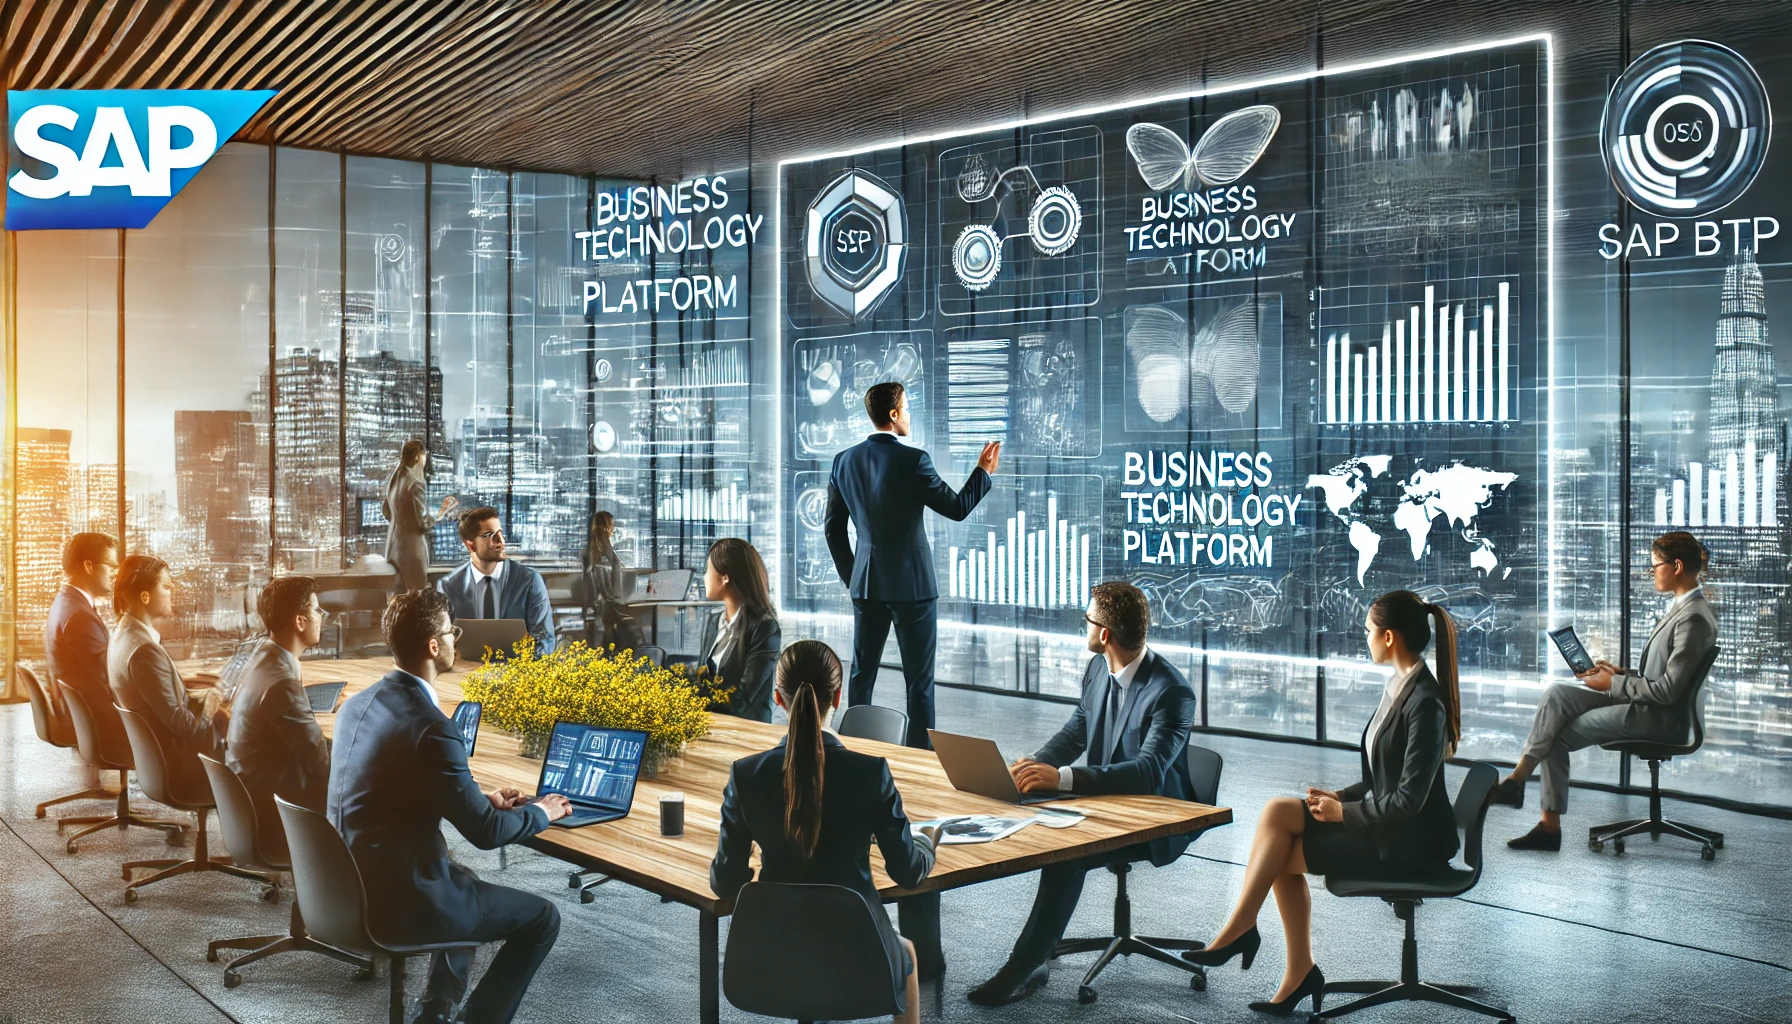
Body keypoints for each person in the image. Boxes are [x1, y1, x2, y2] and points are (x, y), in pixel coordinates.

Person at [1179, 590, 1462, 1016]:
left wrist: (1343, 814)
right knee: (1278, 811)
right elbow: (1381, 777)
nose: (1363, 639)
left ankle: (1276, 955)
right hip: (1388, 825)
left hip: (1408, 844)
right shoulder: (1400, 687)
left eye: (1367, 632)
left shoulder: (1425, 702)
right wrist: (1340, 796)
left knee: (1281, 855)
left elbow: (1408, 800)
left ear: (1389, 637)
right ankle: (1257, 938)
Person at [328, 589, 572, 1024]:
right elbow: (486, 834)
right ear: (434, 646)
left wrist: (481, 798)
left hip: (344, 886)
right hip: (400, 901)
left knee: (465, 880)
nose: (457, 638)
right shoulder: (433, 727)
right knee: (542, 917)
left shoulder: (356, 705)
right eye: (451, 631)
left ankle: (435, 1014)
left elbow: (401, 786)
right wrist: (543, 812)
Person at [967, 580, 1199, 1007]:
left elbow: (1147, 774)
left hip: (1155, 816)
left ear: (1105, 634)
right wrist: (1034, 767)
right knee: (1026, 815)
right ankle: (1038, 953)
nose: (1084, 628)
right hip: (1102, 800)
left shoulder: (1171, 691)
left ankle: (1022, 968)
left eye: (1087, 621)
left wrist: (1063, 779)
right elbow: (1078, 727)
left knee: (1065, 854)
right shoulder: (1098, 668)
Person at [711, 640, 941, 1024]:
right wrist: (925, 844)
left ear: (778, 700)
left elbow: (724, 882)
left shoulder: (746, 775)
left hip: (771, 954)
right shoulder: (870, 774)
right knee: (908, 953)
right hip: (856, 949)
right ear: (838, 696)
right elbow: (907, 871)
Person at [1497, 531, 1719, 850]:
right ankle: (1518, 779)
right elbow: (1664, 676)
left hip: (1658, 718)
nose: (1651, 572)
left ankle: (1548, 825)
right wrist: (1619, 673)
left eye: (1655, 566)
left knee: (1555, 734)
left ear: (1677, 566)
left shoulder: (1694, 618)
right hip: (1645, 704)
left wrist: (1612, 684)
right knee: (1558, 694)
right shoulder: (1683, 608)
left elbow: (1669, 692)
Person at [825, 380, 999, 747]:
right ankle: (921, 759)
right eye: (906, 407)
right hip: (913, 587)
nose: (909, 414)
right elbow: (956, 508)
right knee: (919, 682)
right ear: (893, 414)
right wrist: (982, 471)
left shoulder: (844, 461)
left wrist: (853, 576)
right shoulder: (914, 459)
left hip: (866, 584)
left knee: (862, 676)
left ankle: (856, 749)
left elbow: (833, 530)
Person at [227, 576, 332, 857]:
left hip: (251, 793)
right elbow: (319, 762)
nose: (321, 617)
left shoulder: (263, 656)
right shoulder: (281, 682)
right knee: (370, 785)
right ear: (300, 621)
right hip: (272, 811)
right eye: (317, 611)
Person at [109, 554, 227, 795]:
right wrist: (209, 705)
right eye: (166, 586)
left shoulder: (123, 633)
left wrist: (195, 695)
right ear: (145, 596)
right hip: (178, 765)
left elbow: (159, 703)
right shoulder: (145, 651)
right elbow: (182, 726)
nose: (172, 589)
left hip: (155, 757)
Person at [438, 507, 556, 654]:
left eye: (500, 533)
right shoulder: (448, 587)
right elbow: (441, 643)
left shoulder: (530, 582)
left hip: (516, 672)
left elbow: (545, 642)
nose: (501, 541)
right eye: (489, 535)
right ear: (471, 545)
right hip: (465, 672)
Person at [45, 532, 121, 754]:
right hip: (95, 724)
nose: (115, 574)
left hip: (76, 714)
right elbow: (107, 678)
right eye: (111, 566)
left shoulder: (64, 602)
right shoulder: (79, 616)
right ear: (89, 566)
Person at [690, 537, 781, 722]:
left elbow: (742, 699)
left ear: (725, 577)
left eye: (708, 569)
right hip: (710, 725)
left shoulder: (764, 627)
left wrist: (687, 696)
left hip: (747, 731)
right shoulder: (713, 621)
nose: (704, 576)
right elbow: (703, 680)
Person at [383, 438, 457, 593]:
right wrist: (442, 513)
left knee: (398, 600)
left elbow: (386, 511)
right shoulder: (415, 484)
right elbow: (423, 523)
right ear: (418, 456)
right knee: (416, 598)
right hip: (412, 551)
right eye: (425, 455)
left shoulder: (395, 480)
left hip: (393, 547)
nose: (425, 460)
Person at [580, 510, 641, 647]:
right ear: (607, 528)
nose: (613, 530)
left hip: (597, 613)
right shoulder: (608, 556)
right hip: (607, 610)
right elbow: (616, 587)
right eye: (611, 525)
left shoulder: (589, 554)